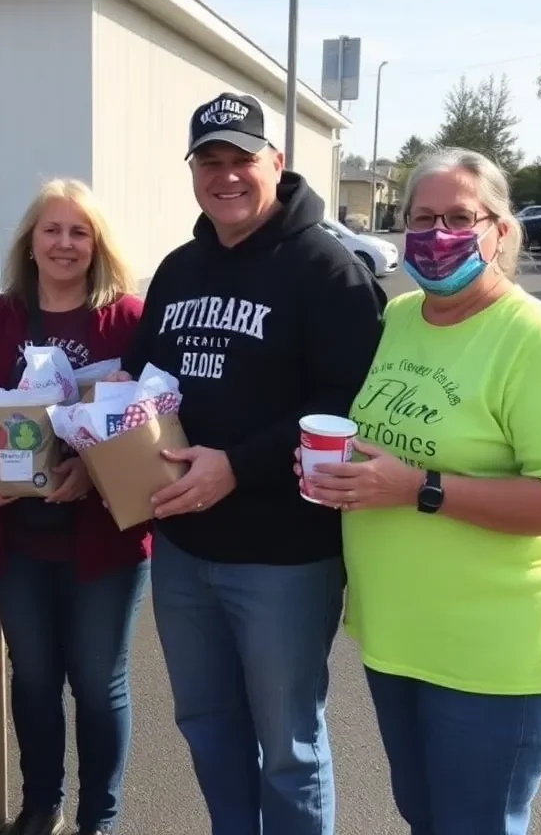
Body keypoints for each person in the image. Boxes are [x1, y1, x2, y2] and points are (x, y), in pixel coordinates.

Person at [119, 93, 385, 835]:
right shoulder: (176, 271)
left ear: (277, 163)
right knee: (205, 723)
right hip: (182, 549)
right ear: (194, 171)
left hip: (283, 557)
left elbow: (350, 398)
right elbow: (140, 386)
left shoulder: (328, 271)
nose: (226, 175)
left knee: (290, 748)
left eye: (243, 159)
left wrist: (238, 464)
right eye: (211, 161)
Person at [303, 148, 541, 835]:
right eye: (422, 217)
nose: (437, 232)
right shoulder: (402, 317)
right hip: (396, 638)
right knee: (424, 818)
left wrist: (422, 489)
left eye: (459, 217)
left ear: (500, 230)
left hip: (489, 656)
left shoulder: (536, 340)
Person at [0, 178, 151, 835]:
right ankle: (42, 805)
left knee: (97, 684)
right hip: (17, 538)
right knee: (33, 677)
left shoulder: (127, 319)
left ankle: (100, 818)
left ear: (97, 245)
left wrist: (91, 477)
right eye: (52, 230)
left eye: (79, 231)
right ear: (29, 243)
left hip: (104, 540)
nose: (65, 243)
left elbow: (149, 426)